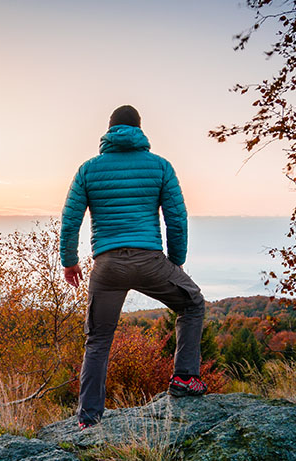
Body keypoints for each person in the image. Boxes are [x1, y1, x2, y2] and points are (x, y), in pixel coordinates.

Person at [60, 104, 207, 428]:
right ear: (139, 129)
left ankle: (89, 418)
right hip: (150, 259)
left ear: (109, 130)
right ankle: (184, 378)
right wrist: (176, 262)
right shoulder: (160, 167)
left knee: (98, 340)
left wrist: (70, 262)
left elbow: (70, 220)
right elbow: (176, 218)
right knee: (193, 303)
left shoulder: (88, 169)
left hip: (107, 265)